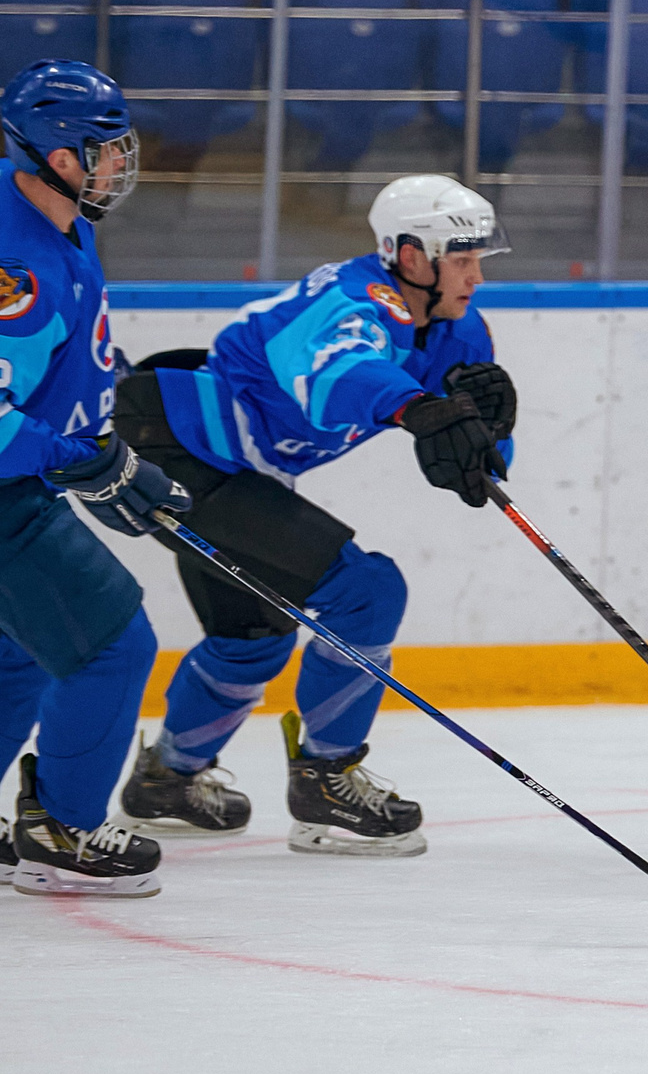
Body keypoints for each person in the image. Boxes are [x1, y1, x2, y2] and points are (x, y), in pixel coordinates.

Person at [111, 175, 515, 858]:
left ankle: (166, 781)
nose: (476, 276)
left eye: (479, 259)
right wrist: (415, 408)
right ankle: (326, 777)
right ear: (411, 256)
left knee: (252, 642)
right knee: (367, 591)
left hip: (226, 465)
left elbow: (465, 458)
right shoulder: (353, 300)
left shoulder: (457, 327)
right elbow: (334, 376)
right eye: (462, 258)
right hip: (175, 445)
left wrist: (491, 439)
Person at [0, 59, 185, 897]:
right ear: (61, 154)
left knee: (22, 657)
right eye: (107, 149)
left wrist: (104, 438)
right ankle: (62, 830)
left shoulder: (57, 217)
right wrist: (81, 459)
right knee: (116, 644)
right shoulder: (17, 270)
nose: (121, 163)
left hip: (24, 483)